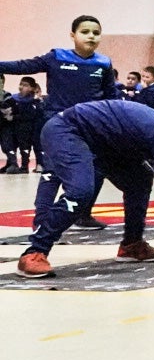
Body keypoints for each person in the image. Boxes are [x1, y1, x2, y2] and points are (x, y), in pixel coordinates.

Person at [14, 100, 154, 279]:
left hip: (102, 142)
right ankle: (34, 252)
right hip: (65, 132)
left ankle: (132, 245)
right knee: (80, 192)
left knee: (141, 177)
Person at [1, 15, 120, 232]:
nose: (91, 36)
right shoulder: (56, 57)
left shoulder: (103, 63)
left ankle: (83, 215)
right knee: (53, 172)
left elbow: (111, 98)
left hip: (91, 126)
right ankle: (41, 222)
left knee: (97, 169)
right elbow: (22, 66)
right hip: (58, 126)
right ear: (72, 35)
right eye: (85, 32)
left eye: (96, 32)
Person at [1, 77, 44, 174]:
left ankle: (25, 166)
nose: (21, 87)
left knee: (26, 146)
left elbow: (30, 115)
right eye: (21, 84)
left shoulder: (34, 101)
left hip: (28, 128)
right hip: (14, 127)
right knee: (10, 145)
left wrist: (14, 117)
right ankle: (11, 163)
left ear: (32, 88)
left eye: (25, 85)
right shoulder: (13, 98)